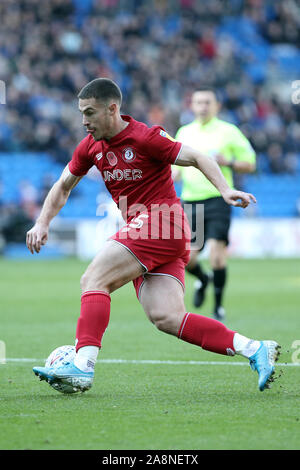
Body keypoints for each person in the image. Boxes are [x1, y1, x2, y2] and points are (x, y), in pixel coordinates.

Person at [27, 78, 279, 394]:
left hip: (162, 222)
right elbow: (63, 186)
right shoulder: (90, 147)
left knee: (94, 279)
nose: (84, 121)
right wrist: (42, 223)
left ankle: (82, 366)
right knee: (167, 317)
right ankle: (254, 348)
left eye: (90, 113)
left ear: (112, 109)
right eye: (82, 113)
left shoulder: (146, 137)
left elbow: (199, 157)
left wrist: (225, 190)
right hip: (156, 234)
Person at [174, 87, 256, 320]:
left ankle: (218, 306)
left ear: (217, 106)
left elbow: (250, 163)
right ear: (192, 106)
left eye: (207, 102)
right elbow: (176, 169)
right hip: (191, 201)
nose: (202, 106)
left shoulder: (228, 132)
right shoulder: (184, 132)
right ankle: (203, 278)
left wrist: (228, 161)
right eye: (198, 102)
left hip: (219, 199)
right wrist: (171, 176)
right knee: (188, 258)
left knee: (217, 257)